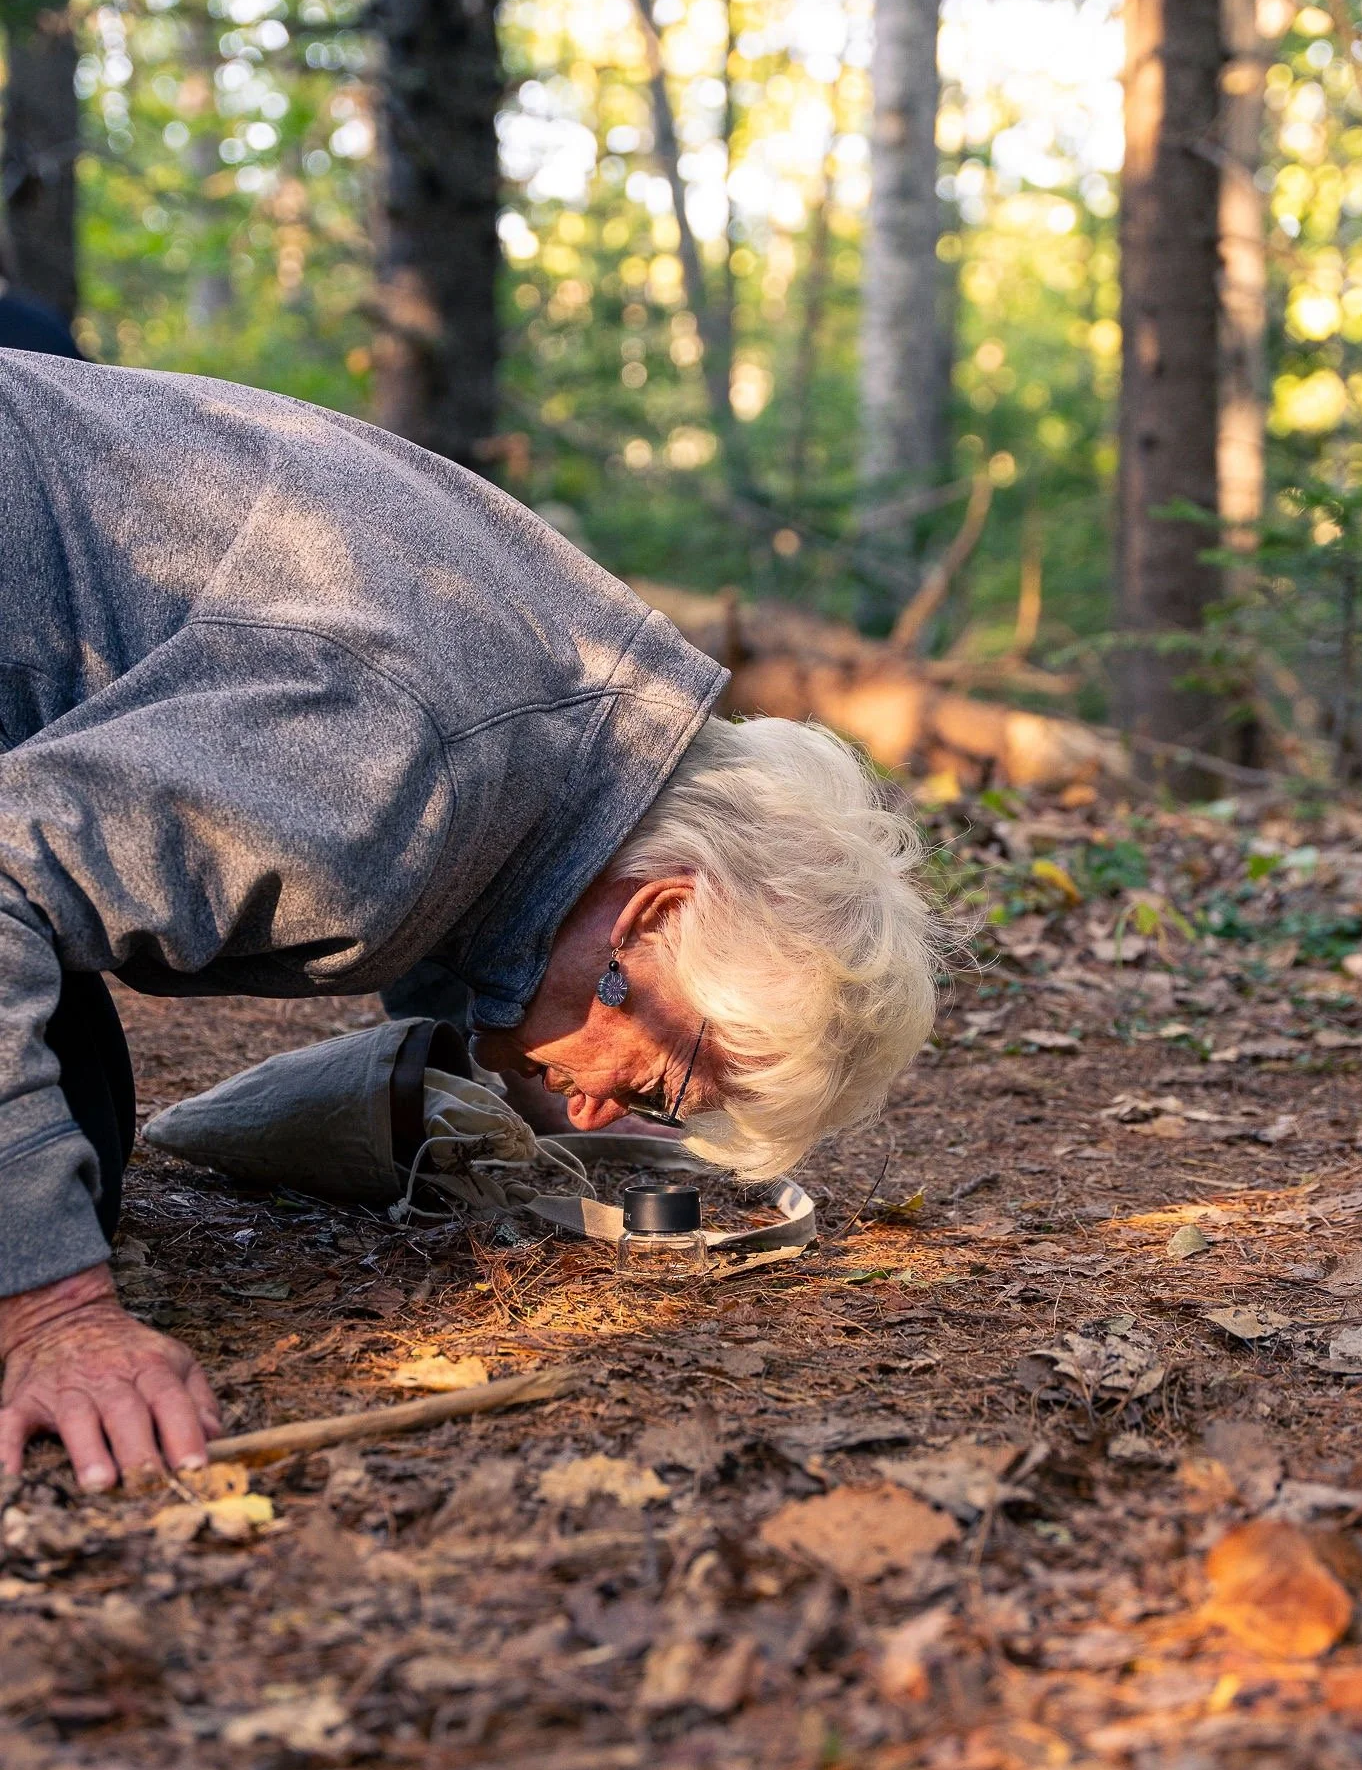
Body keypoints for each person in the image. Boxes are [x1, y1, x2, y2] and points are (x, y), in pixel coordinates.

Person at [0, 353, 939, 1491]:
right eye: (648, 1085)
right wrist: (51, 1312)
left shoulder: (592, 701)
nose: (589, 1109)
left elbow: (486, 882)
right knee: (47, 1222)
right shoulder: (378, 777)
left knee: (74, 1130)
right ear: (656, 909)